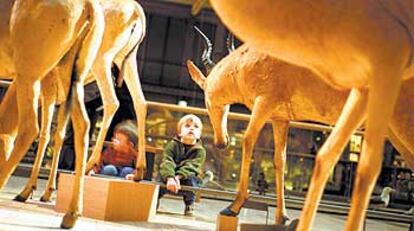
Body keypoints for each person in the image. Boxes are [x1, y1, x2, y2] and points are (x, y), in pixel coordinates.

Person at [158, 114, 207, 216]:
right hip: (171, 176)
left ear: (199, 135)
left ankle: (189, 204)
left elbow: (192, 166)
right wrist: (170, 177)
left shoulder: (200, 151)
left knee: (191, 181)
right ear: (180, 132)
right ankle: (155, 199)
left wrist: (178, 176)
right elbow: (167, 160)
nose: (191, 128)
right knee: (160, 178)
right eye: (187, 126)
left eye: (196, 127)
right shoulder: (172, 145)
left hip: (186, 177)